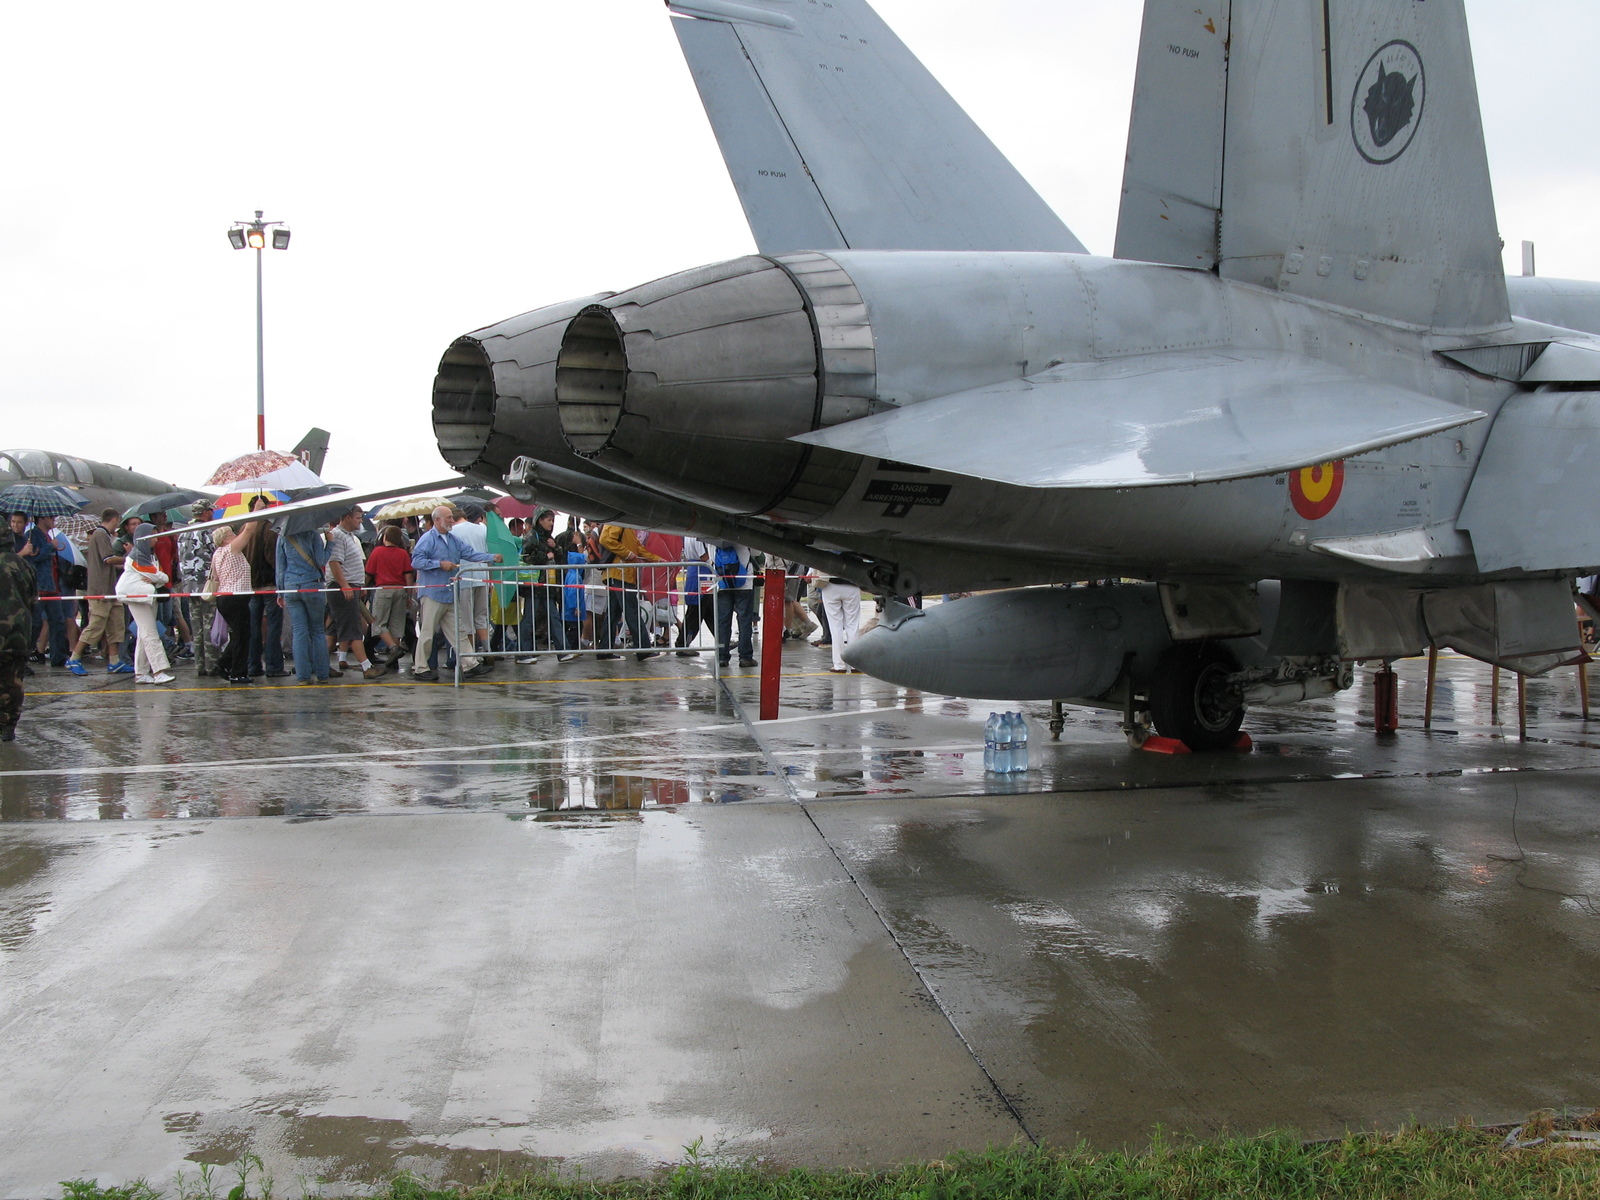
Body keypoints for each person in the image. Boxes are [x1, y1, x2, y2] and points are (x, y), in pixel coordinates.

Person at [410, 505, 500, 681]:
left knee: (458, 632)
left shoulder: (452, 539)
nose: (452, 520)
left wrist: (491, 557)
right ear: (437, 520)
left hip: (450, 593)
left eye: (452, 517)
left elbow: (470, 554)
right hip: (433, 594)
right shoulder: (428, 539)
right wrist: (439, 564)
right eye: (449, 517)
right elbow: (416, 561)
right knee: (427, 632)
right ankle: (421, 668)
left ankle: (470, 664)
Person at [66, 507, 129, 676]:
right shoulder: (100, 534)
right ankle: (74, 658)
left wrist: (126, 565)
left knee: (115, 623)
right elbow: (108, 559)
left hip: (110, 588)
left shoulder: (104, 535)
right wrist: (129, 557)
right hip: (100, 589)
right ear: (115, 519)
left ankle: (114, 661)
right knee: (96, 624)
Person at [325, 505, 383, 679]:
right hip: (343, 588)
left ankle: (321, 664)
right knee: (352, 628)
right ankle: (366, 666)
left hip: (350, 586)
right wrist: (345, 585)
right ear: (347, 517)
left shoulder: (349, 536)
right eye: (357, 518)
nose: (360, 521)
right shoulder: (338, 536)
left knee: (334, 629)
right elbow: (334, 563)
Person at [113, 523, 174, 684]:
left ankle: (141, 673)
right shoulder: (137, 556)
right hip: (137, 596)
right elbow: (163, 577)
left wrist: (156, 578)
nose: (155, 539)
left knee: (143, 634)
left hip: (144, 596)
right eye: (152, 536)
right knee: (150, 633)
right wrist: (157, 577)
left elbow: (159, 577)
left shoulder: (147, 555)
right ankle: (158, 671)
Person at [277, 523, 332, 684]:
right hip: (312, 584)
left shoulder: (282, 536)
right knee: (317, 631)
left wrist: (280, 592)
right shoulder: (312, 534)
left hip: (291, 586)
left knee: (299, 631)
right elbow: (321, 559)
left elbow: (280, 567)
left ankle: (303, 676)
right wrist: (330, 543)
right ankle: (322, 674)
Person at [597, 524, 662, 662]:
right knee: (631, 611)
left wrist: (655, 558)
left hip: (619, 574)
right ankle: (643, 649)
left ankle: (604, 650)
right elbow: (606, 539)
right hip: (621, 573)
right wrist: (626, 553)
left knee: (613, 614)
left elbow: (637, 549)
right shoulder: (619, 523)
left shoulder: (627, 527)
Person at [14, 512, 69, 667]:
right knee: (36, 623)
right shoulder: (33, 535)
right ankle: (25, 657)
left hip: (52, 585)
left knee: (58, 621)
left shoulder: (49, 535)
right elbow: (33, 556)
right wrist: (51, 546)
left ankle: (58, 657)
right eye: (51, 518)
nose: (53, 520)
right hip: (39, 585)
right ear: (42, 519)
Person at [0, 522, 38, 741]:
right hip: (18, 633)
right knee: (13, 680)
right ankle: (8, 725)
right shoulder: (23, 565)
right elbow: (33, 599)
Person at [210, 524, 261, 685]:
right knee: (242, 636)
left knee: (240, 634)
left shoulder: (217, 554)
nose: (235, 536)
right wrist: (256, 511)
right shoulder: (230, 550)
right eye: (232, 534)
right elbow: (248, 531)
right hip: (235, 597)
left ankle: (225, 664)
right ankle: (236, 672)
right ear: (225, 539)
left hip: (225, 597)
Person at [244, 495, 287, 678]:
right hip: (270, 584)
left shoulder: (245, 529)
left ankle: (253, 665)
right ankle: (274, 666)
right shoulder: (271, 529)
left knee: (253, 628)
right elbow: (273, 558)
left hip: (252, 585)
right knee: (273, 627)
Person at [515, 507, 565, 662]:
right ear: (540, 520)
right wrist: (546, 555)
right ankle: (523, 653)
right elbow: (526, 556)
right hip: (534, 584)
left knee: (553, 616)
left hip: (546, 584)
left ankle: (563, 651)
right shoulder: (532, 536)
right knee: (530, 618)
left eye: (552, 520)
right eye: (548, 520)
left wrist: (554, 547)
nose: (551, 523)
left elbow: (561, 555)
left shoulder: (548, 538)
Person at [366, 524, 414, 669]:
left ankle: (394, 648)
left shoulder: (377, 552)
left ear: (384, 537)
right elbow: (408, 576)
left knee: (378, 623)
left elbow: (369, 573)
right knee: (396, 625)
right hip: (400, 590)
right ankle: (393, 660)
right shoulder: (403, 553)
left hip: (383, 589)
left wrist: (363, 588)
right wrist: (408, 595)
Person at [451, 503, 494, 656]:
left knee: (466, 620)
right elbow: (489, 555)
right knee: (481, 618)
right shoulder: (483, 529)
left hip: (464, 578)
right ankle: (488, 652)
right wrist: (490, 579)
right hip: (482, 577)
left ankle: (471, 656)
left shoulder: (453, 531)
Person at [712, 541, 757, 669]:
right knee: (744, 620)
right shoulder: (742, 538)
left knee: (723, 621)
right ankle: (745, 657)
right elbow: (756, 553)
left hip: (722, 584)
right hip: (744, 584)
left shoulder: (713, 540)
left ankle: (722, 657)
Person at [820, 575, 864, 673]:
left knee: (835, 627)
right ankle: (854, 663)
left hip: (830, 585)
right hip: (852, 585)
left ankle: (839, 665)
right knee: (852, 626)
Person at [676, 538, 709, 656]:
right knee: (695, 613)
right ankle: (682, 644)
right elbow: (704, 556)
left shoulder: (689, 537)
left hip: (699, 573)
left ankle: (723, 640)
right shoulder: (699, 538)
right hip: (701, 575)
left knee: (709, 610)